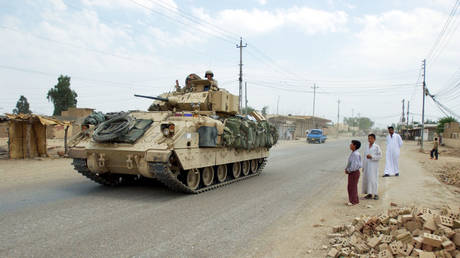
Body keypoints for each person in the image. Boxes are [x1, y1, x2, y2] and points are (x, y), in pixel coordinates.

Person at [362, 134, 382, 200]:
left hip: (374, 166)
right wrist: (363, 166)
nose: (369, 140)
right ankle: (369, 194)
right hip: (367, 166)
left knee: (374, 179)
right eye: (368, 138)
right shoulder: (367, 146)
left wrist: (372, 157)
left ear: (374, 139)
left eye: (371, 138)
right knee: (368, 179)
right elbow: (364, 157)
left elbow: (380, 156)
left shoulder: (377, 147)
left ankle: (375, 194)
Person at [345, 140, 362, 206]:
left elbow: (354, 166)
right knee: (352, 186)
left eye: (351, 144)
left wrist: (348, 170)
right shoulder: (354, 153)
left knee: (352, 186)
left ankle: (353, 201)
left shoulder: (355, 154)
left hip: (354, 172)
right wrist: (347, 169)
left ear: (354, 145)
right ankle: (355, 200)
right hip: (352, 172)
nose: (350, 145)